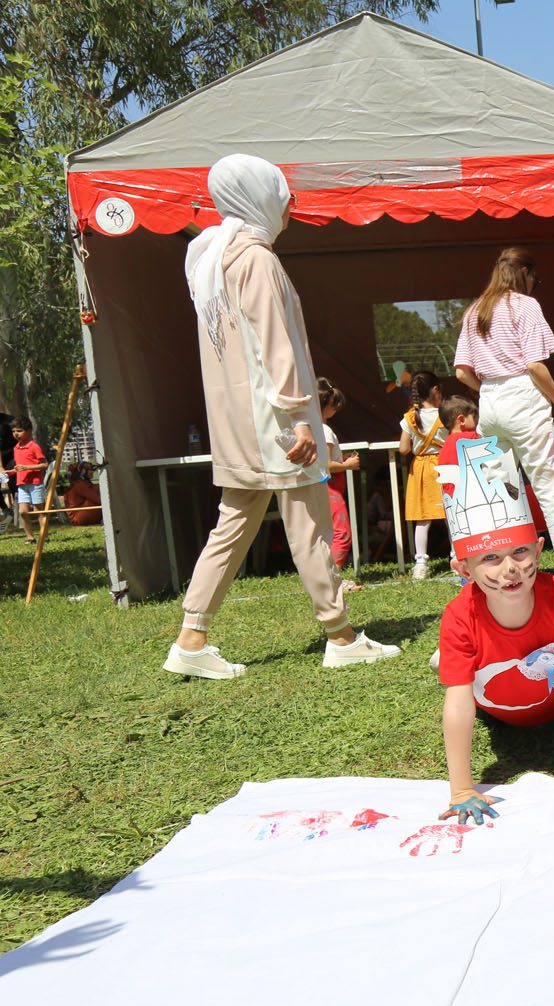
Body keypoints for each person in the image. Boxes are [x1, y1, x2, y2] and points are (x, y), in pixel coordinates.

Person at [163, 153, 397, 679]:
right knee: (310, 524)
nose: (289, 203)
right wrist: (298, 417)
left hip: (237, 420)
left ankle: (191, 636)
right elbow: (276, 343)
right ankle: (339, 635)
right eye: (280, 191)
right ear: (257, 197)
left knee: (235, 524)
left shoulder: (210, 259)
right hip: (273, 420)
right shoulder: (255, 259)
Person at [433, 433, 554, 826]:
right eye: (490, 557)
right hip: (494, 710)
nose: (510, 569)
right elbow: (458, 702)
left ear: (539, 550)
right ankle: (448, 660)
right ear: (463, 570)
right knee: (457, 673)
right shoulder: (459, 616)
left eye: (519, 552)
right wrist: (461, 789)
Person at [453, 247, 554, 593]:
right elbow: (534, 365)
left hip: (491, 399)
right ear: (524, 272)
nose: (535, 284)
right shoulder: (525, 306)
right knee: (548, 486)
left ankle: (494, 565)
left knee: (499, 488)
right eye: (535, 278)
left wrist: (488, 387)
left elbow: (461, 371)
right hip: (523, 396)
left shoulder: (474, 310)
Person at [398, 370, 446, 579]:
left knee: (422, 519)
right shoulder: (445, 414)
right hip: (444, 465)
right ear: (435, 390)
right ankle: (458, 557)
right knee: (451, 515)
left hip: (421, 469)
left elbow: (403, 449)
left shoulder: (410, 417)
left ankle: (420, 563)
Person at [316, 378, 359, 572]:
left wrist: (341, 459)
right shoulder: (324, 430)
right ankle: (334, 578)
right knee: (342, 533)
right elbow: (325, 465)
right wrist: (347, 465)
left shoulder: (313, 429)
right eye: (334, 406)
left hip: (320, 488)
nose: (335, 411)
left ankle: (327, 578)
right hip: (329, 487)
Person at [8, 416, 46, 544]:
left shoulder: (34, 446)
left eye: (19, 430)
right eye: (13, 431)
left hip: (35, 484)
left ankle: (44, 536)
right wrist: (11, 472)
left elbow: (44, 464)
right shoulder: (16, 448)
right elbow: (20, 467)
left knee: (38, 511)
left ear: (29, 431)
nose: (16, 434)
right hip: (22, 484)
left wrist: (27, 467)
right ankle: (30, 537)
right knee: (23, 512)